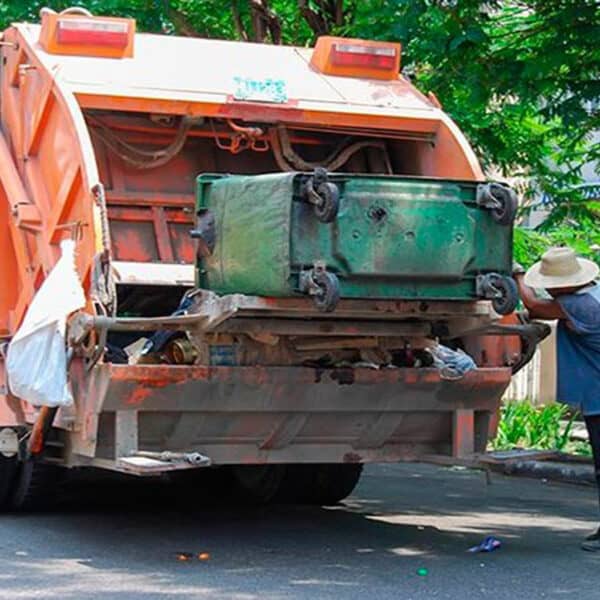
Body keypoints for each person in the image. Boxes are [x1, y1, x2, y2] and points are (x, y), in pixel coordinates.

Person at [514, 246, 600, 551]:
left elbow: (535, 307)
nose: (549, 288)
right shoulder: (595, 294)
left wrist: (517, 274)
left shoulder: (582, 306)